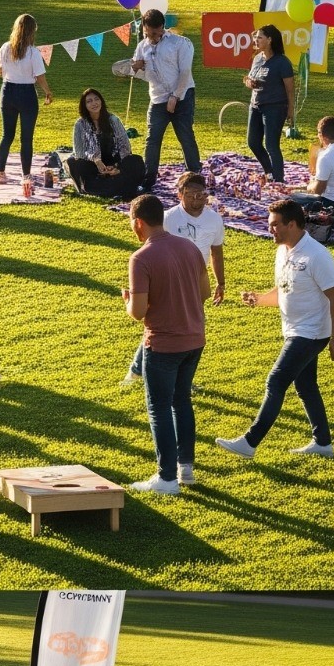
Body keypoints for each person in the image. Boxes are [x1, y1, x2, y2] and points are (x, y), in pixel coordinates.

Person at [215, 199, 334, 462]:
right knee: (306, 385)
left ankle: (249, 442)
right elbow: (286, 289)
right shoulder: (283, 251)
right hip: (295, 330)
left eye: (274, 225)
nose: (269, 229)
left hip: (311, 333)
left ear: (292, 224)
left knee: (276, 381)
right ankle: (323, 442)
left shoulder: (316, 256)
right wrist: (260, 299)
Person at [123, 193, 208, 496]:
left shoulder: (141, 258)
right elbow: (204, 293)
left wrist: (128, 299)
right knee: (181, 401)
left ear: (140, 223)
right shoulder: (189, 247)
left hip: (162, 345)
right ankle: (186, 468)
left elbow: (138, 312)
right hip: (194, 339)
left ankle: (167, 478)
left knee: (159, 408)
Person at [124, 173, 227, 386]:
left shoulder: (214, 220)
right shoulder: (168, 218)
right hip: (169, 278)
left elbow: (217, 252)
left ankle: (176, 378)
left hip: (195, 280)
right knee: (165, 327)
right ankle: (143, 371)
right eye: (192, 195)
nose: (198, 199)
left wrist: (221, 282)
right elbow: (153, 246)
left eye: (202, 195)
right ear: (180, 194)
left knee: (185, 328)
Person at [131, 9, 201, 190]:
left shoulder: (180, 43)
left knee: (185, 135)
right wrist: (135, 67)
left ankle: (194, 177)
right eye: (148, 33)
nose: (152, 36)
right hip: (157, 99)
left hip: (182, 96)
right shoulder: (142, 46)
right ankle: (148, 179)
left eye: (156, 33)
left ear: (162, 27)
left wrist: (175, 97)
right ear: (144, 28)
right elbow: (136, 71)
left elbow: (185, 73)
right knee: (152, 139)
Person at [0, 13, 52, 185]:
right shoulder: (33, 52)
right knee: (26, 138)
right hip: (26, 93)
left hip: (8, 91)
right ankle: (26, 175)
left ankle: (0, 173)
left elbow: (1, 71)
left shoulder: (5, 47)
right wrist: (47, 91)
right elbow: (39, 76)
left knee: (6, 136)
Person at [66, 88, 144, 197]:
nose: (94, 103)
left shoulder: (113, 120)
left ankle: (105, 186)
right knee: (74, 163)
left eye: (96, 99)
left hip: (115, 162)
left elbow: (125, 146)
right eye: (89, 101)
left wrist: (117, 167)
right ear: (84, 106)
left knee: (136, 160)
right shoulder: (80, 124)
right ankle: (119, 187)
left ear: (101, 101)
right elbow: (79, 151)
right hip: (93, 165)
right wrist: (96, 160)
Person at [244, 25, 297, 183]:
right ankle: (270, 172)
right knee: (252, 142)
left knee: (271, 145)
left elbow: (290, 89)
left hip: (275, 107)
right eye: (255, 37)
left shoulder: (282, 62)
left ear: (270, 40)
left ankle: (279, 181)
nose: (256, 40)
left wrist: (291, 110)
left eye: (259, 37)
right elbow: (248, 78)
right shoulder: (257, 58)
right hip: (255, 105)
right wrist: (249, 82)